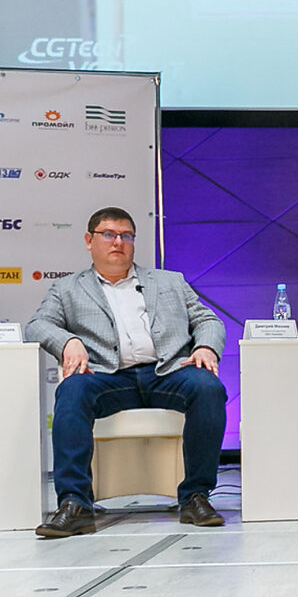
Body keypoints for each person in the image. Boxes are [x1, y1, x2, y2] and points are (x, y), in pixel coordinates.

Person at [26, 207, 227, 537]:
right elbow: (37, 325)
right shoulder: (67, 289)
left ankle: (196, 496)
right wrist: (68, 342)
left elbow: (208, 320)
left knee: (208, 388)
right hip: (106, 377)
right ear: (89, 240)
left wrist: (205, 347)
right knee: (72, 391)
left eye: (126, 236)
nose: (118, 242)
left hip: (166, 372)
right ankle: (75, 503)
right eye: (108, 234)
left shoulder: (169, 281)